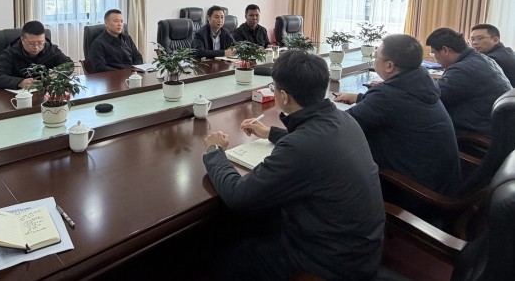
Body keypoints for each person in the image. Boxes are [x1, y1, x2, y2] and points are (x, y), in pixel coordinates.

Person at [202, 50, 384, 281]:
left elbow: (238, 195)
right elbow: (315, 142)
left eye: (274, 88)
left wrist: (214, 151)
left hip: (330, 263)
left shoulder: (300, 147)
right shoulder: (345, 119)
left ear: (284, 97)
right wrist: (271, 133)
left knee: (228, 256)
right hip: (360, 247)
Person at [335, 34, 461, 195]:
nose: (374, 60)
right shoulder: (421, 82)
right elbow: (399, 106)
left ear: (389, 66)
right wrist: (361, 98)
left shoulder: (387, 96)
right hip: (440, 182)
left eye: (376, 56)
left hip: (415, 192)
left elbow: (341, 127)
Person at [426, 27, 511, 137]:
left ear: (445, 50)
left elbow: (434, 98)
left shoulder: (463, 69)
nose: (435, 59)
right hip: (495, 126)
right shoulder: (480, 59)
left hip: (477, 132)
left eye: (434, 53)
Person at [0, 21, 73, 89]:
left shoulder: (51, 49)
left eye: (40, 43)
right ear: (22, 39)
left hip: (45, 95)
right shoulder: (10, 53)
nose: (36, 47)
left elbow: (69, 64)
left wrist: (56, 74)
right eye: (31, 43)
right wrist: (20, 82)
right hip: (18, 98)